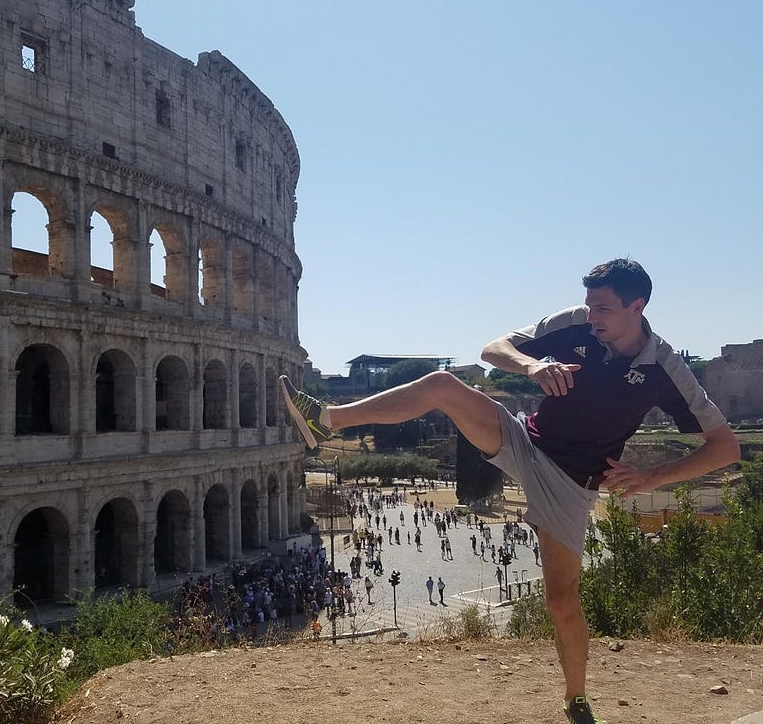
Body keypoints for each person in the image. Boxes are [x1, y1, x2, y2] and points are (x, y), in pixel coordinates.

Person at [280, 258, 739, 724]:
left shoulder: (665, 367)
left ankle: (576, 698)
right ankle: (327, 420)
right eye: (589, 305)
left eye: (602, 308)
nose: (592, 316)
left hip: (570, 481)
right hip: (525, 439)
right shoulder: (575, 323)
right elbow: (493, 349)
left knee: (562, 600)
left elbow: (725, 447)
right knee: (443, 384)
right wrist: (532, 366)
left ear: (636, 306)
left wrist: (654, 478)